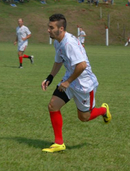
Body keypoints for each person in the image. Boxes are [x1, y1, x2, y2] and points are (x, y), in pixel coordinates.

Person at [41, 14, 111, 153]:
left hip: (84, 84)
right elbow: (58, 60)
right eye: (48, 27)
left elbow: (82, 65)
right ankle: (59, 143)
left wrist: (67, 82)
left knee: (84, 117)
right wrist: (50, 77)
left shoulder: (69, 44)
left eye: (51, 27)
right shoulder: (57, 41)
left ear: (61, 29)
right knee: (53, 106)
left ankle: (103, 110)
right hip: (71, 79)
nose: (48, 30)